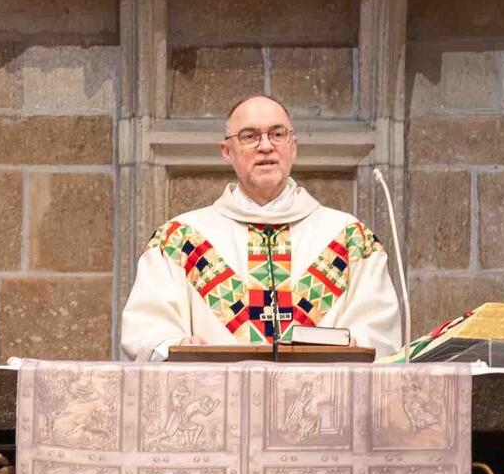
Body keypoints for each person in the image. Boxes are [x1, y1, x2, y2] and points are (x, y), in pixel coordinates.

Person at [120, 94, 402, 361]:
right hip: (216, 405)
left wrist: (355, 344)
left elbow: (379, 334)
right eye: (250, 136)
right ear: (227, 151)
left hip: (325, 406)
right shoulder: (179, 240)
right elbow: (146, 329)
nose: (266, 146)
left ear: (293, 146)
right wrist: (174, 346)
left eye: (278, 134)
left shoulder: (351, 240)